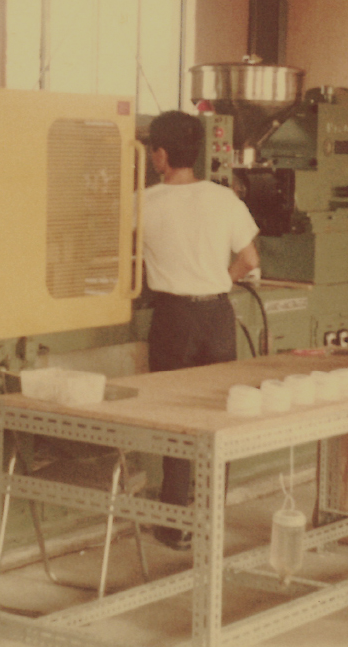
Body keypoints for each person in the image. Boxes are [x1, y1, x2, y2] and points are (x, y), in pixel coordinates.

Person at [142, 110, 260, 550]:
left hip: (173, 319)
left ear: (161, 154)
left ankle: (175, 525)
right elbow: (250, 259)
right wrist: (220, 281)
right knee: (218, 418)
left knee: (177, 419)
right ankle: (212, 518)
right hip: (217, 316)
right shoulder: (224, 199)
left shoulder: (144, 202)